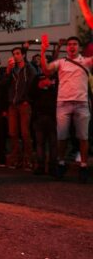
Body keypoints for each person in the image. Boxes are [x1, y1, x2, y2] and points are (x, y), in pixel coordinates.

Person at [41, 36, 91, 183]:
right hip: (63, 103)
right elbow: (46, 70)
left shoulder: (86, 61)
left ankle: (83, 166)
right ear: (66, 47)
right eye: (69, 44)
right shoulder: (61, 62)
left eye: (75, 44)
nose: (71, 46)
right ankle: (61, 163)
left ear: (79, 47)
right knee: (62, 136)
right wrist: (43, 52)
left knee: (83, 137)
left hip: (81, 103)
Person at [5, 46, 36, 171]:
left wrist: (27, 100)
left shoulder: (30, 69)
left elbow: (33, 86)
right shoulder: (12, 70)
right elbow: (4, 85)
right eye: (14, 54)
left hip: (24, 104)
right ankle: (15, 159)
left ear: (23, 55)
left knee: (25, 133)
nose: (15, 56)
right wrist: (8, 71)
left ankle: (28, 160)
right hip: (12, 104)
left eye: (18, 53)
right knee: (13, 132)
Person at [29, 72, 58, 176]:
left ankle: (53, 167)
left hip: (53, 115)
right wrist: (39, 86)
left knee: (53, 143)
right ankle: (40, 166)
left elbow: (61, 94)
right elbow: (31, 94)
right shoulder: (38, 77)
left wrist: (51, 86)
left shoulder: (57, 77)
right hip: (39, 114)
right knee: (40, 143)